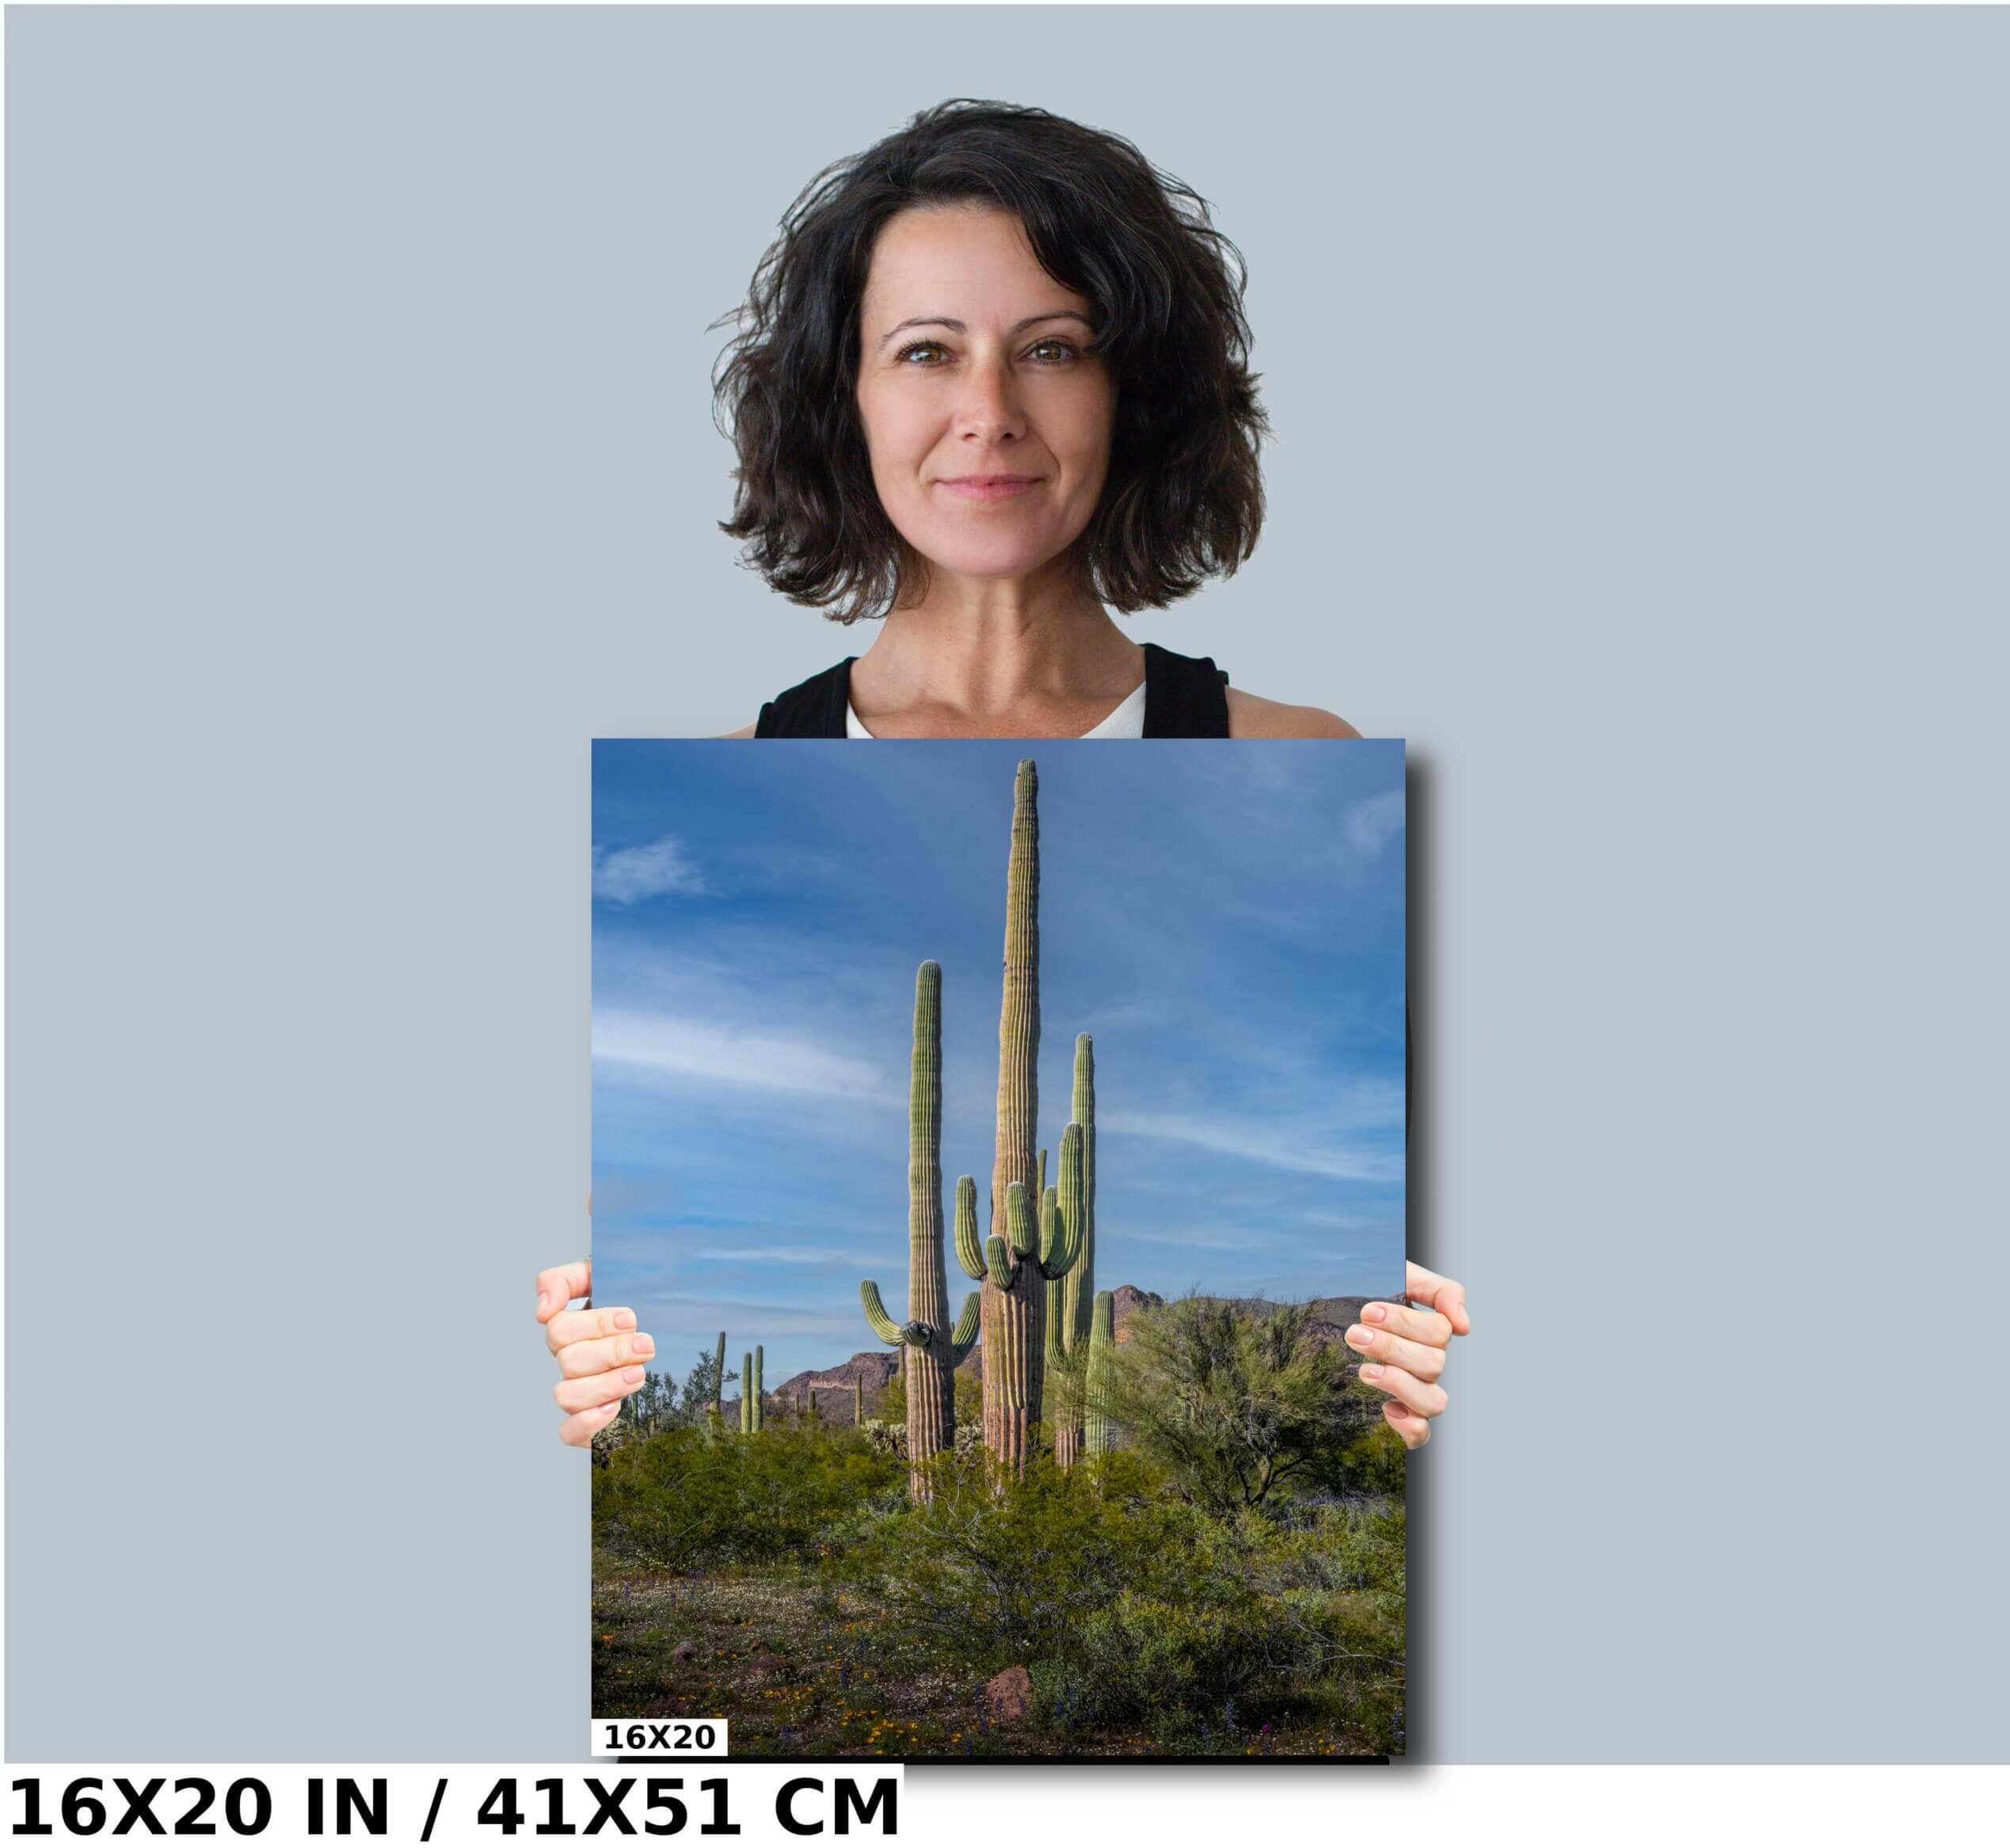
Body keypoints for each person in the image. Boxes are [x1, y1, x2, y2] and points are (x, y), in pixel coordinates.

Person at [542, 99, 1471, 1444]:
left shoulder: (1299, 755)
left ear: (1133, 391)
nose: (988, 413)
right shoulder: (730, 769)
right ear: (844, 396)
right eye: (926, 351)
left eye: (1054, 348)